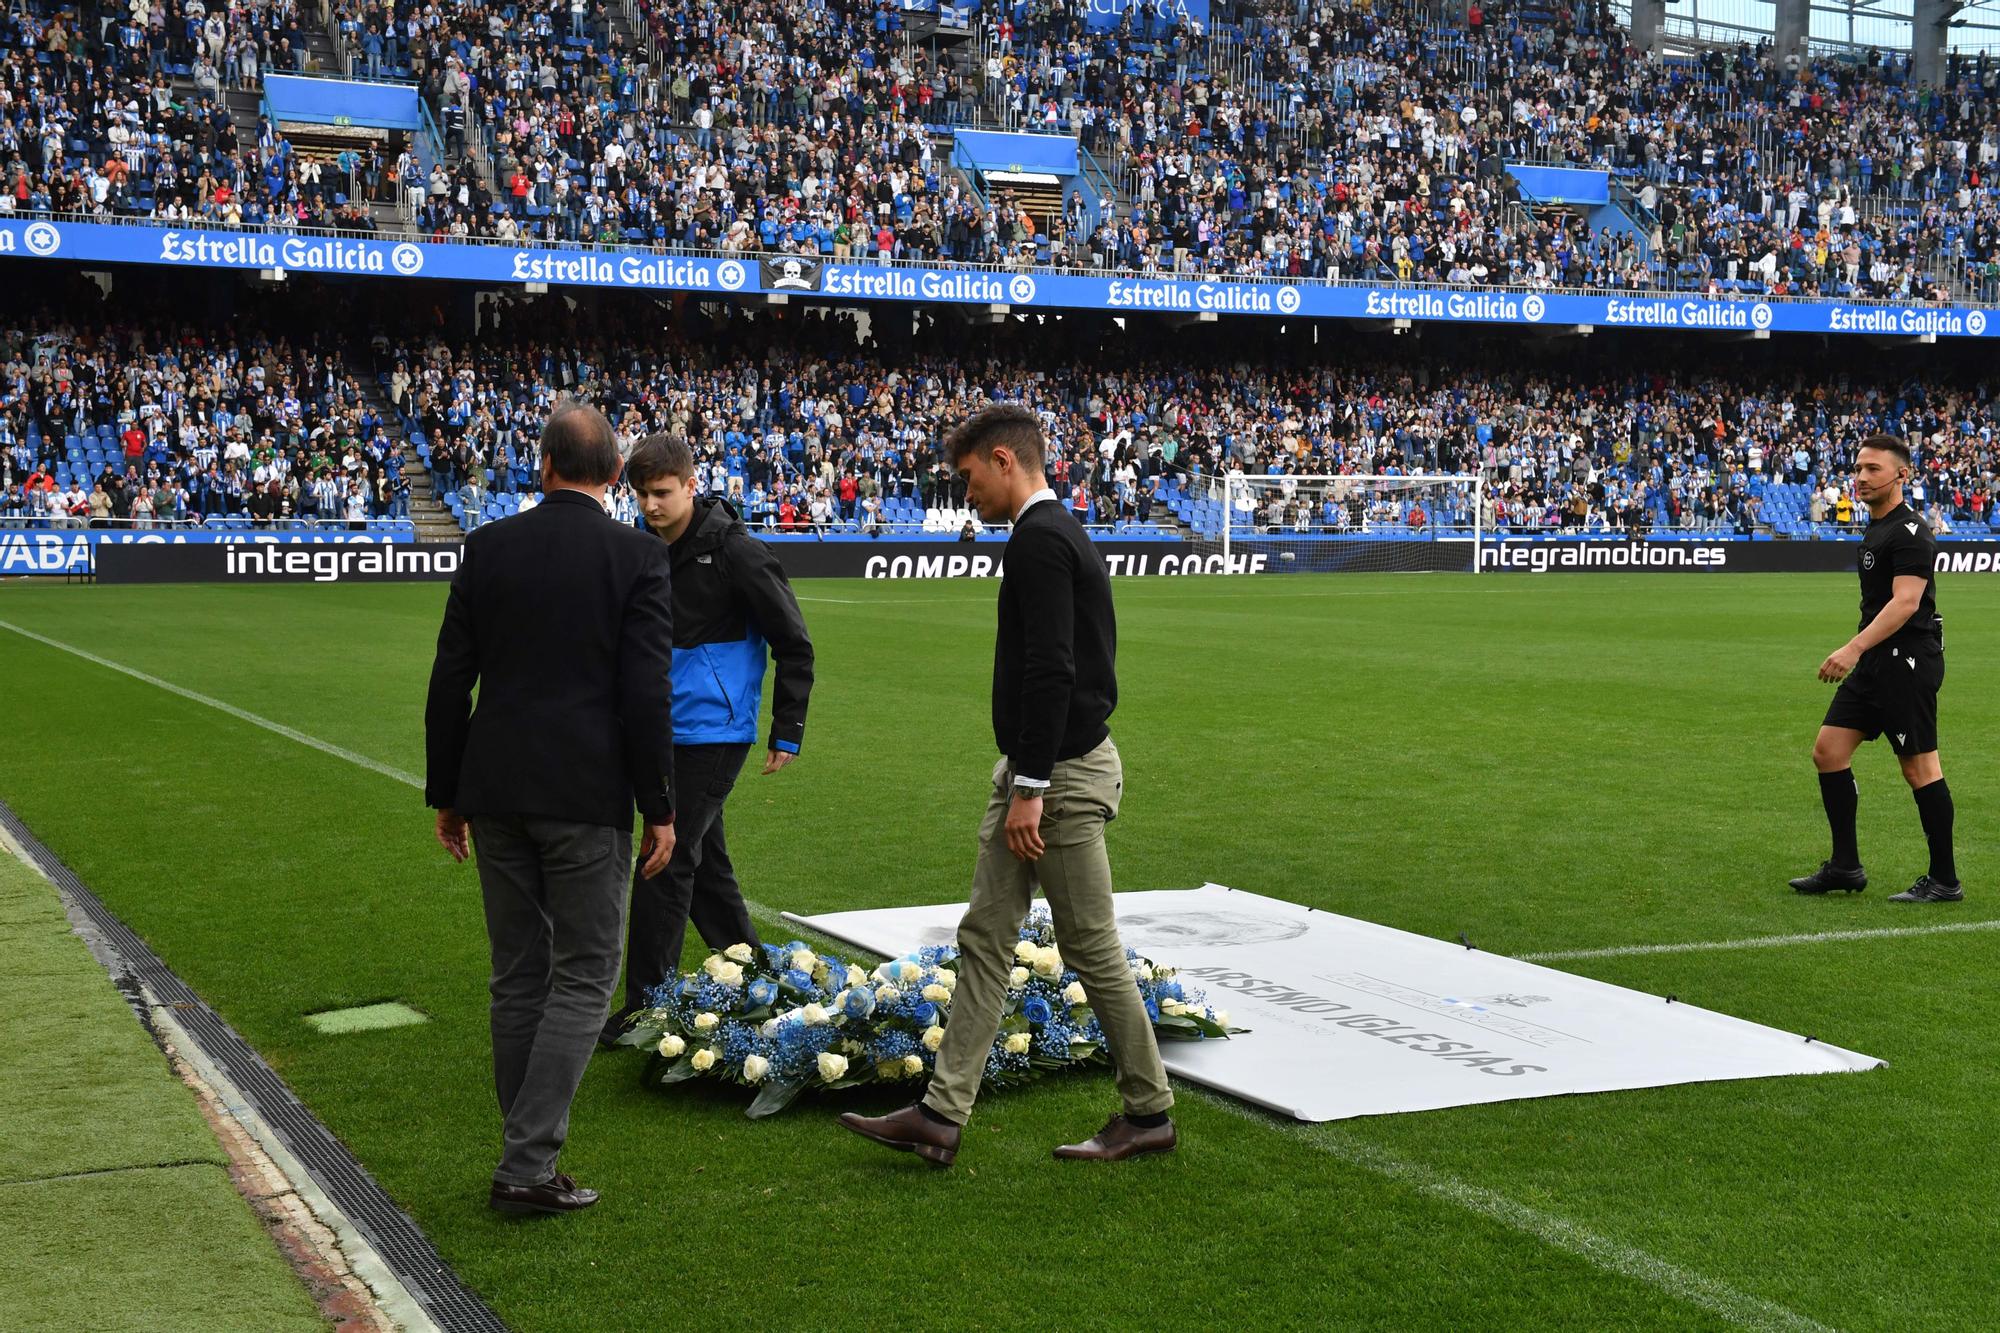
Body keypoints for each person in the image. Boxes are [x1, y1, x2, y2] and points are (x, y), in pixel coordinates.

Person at [838, 403, 1175, 1168]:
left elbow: (1053, 668)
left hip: (1058, 775)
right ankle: (940, 1113)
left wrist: (1031, 786)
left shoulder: (1039, 541)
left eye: (967, 479)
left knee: (1090, 946)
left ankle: (1149, 1110)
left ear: (1002, 460)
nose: (966, 497)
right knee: (986, 936)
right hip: (1040, 768)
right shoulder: (1052, 535)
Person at [424, 402, 679, 1216]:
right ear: (616, 477)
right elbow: (647, 693)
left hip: (496, 788)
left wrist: (448, 792)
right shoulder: (637, 555)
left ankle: (525, 1152)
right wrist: (660, 806)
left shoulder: (488, 545)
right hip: (584, 794)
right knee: (584, 973)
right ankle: (527, 1164)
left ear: (542, 467)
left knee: (518, 975)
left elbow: (448, 679)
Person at [602, 431, 815, 1043]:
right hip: (661, 728)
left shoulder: (737, 551)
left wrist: (787, 729)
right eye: (640, 494)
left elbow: (794, 642)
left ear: (692, 485)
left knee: (663, 860)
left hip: (716, 731)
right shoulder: (645, 550)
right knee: (706, 867)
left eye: (662, 493)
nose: (650, 505)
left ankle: (648, 1007)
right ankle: (754, 975)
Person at [1791, 434, 1962, 903]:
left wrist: (1851, 648)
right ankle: (1845, 867)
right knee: (1828, 751)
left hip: (1907, 662)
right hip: (1875, 660)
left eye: (1872, 469)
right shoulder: (1877, 527)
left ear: (1901, 475)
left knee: (1920, 768)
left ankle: (1945, 880)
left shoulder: (1911, 533)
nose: (1861, 477)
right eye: (1859, 468)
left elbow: (1906, 603)